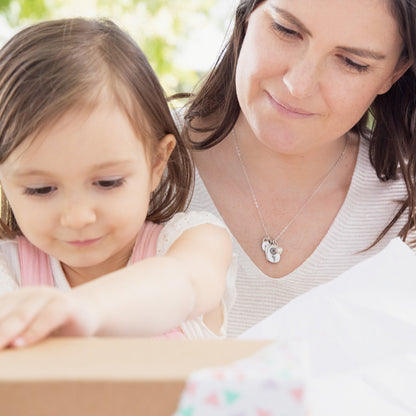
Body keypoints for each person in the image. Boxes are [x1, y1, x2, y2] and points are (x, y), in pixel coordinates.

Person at [182, 0, 416, 337]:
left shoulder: (405, 210)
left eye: (352, 62)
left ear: (394, 73)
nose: (298, 85)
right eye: (286, 30)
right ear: (248, 13)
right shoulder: (129, 166)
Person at [0, 18, 235, 349]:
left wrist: (83, 309)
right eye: (41, 189)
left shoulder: (192, 243)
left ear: (156, 162)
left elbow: (186, 283)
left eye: (107, 182)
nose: (78, 217)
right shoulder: (8, 271)